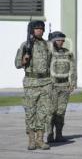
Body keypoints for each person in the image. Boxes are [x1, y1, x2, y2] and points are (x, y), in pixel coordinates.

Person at [15, 20, 52, 150]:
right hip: (31, 82)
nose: (40, 31)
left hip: (46, 83)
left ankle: (40, 140)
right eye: (37, 29)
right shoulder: (25, 45)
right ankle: (31, 140)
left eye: (42, 29)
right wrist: (24, 59)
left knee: (43, 112)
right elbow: (17, 64)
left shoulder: (48, 45)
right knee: (30, 112)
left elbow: (53, 63)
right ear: (32, 30)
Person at [47, 31, 77, 143]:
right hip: (52, 85)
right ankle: (50, 134)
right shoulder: (48, 52)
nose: (62, 42)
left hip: (64, 85)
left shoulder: (67, 53)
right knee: (51, 111)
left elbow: (73, 68)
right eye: (59, 40)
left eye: (63, 40)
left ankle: (59, 134)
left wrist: (72, 82)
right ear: (53, 41)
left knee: (61, 111)